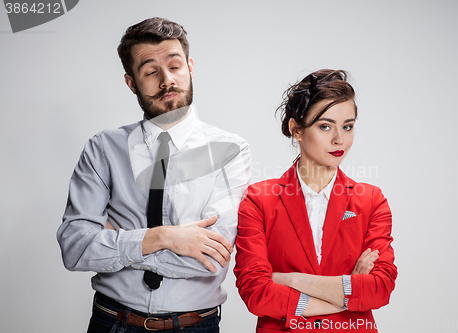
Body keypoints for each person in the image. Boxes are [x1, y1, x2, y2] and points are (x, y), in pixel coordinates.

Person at [57, 17, 251, 333]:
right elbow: (75, 248)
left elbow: (211, 256)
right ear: (131, 82)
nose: (166, 80)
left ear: (190, 66)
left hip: (195, 325)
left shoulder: (229, 150)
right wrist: (163, 237)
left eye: (175, 66)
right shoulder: (104, 148)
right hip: (113, 322)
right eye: (150, 72)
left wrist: (116, 241)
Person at [234, 69, 397, 332]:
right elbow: (257, 294)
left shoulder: (371, 200)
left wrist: (289, 279)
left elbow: (380, 289)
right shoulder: (259, 200)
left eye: (348, 126)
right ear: (296, 130)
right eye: (325, 126)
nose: (339, 139)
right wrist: (348, 295)